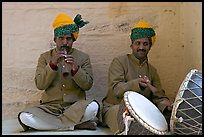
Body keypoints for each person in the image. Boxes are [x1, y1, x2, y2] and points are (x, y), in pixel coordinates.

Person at [17, 13, 100, 131]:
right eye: (61, 38)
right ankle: (74, 125)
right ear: (55, 39)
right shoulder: (45, 57)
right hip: (50, 108)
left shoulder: (83, 57)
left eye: (68, 38)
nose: (65, 42)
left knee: (93, 107)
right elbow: (40, 85)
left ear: (73, 40)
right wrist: (52, 65)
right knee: (25, 117)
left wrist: (75, 69)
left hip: (75, 106)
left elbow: (87, 85)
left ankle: (56, 125)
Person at [101, 20, 173, 134]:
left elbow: (158, 96)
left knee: (168, 118)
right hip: (115, 107)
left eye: (145, 44)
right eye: (138, 43)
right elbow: (116, 89)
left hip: (142, 112)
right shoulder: (119, 62)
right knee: (126, 119)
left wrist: (166, 105)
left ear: (150, 47)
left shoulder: (152, 71)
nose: (141, 47)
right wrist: (136, 84)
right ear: (132, 45)